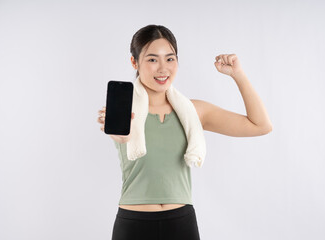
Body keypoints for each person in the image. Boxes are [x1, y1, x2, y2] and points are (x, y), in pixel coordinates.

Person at [97, 24, 273, 240]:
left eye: (170, 59)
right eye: (152, 59)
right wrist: (120, 135)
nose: (163, 68)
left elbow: (260, 125)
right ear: (134, 62)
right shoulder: (123, 110)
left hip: (181, 224)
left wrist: (238, 74)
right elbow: (121, 138)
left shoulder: (194, 111)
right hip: (133, 224)